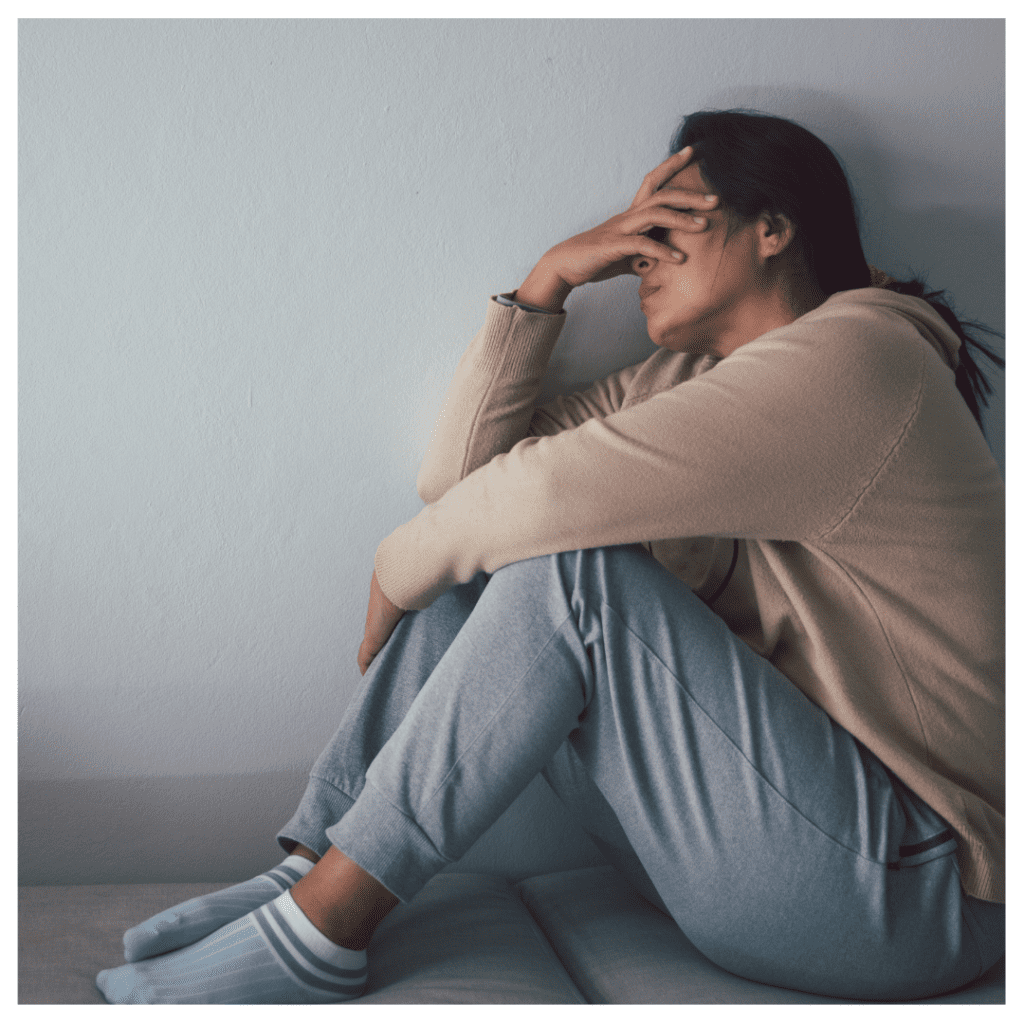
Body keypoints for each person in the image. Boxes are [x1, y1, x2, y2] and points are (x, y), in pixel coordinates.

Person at [96, 109, 1004, 1004]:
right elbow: (463, 488)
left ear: (772, 227)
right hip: (778, 850)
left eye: (669, 224)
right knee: (494, 557)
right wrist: (549, 280)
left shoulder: (864, 358)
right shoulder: (692, 380)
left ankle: (326, 929)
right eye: (633, 234)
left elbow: (537, 501)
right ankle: (310, 872)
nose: (638, 252)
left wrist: (390, 567)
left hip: (916, 892)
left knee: (573, 572)